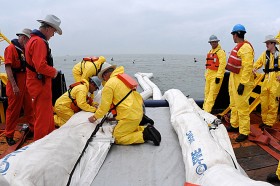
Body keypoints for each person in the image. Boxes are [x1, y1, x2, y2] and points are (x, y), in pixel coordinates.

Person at [88, 63, 161, 145]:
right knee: (127, 128)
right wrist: (114, 118)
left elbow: (104, 108)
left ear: (107, 74)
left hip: (129, 117)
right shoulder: (121, 79)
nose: (104, 79)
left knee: (117, 137)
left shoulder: (109, 85)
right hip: (138, 112)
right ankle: (145, 128)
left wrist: (94, 117)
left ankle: (145, 134)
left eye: (103, 76)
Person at [25, 14, 62, 141]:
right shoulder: (39, 42)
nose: (53, 35)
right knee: (42, 118)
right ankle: (40, 146)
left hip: (38, 83)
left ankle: (49, 140)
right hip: (40, 84)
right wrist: (54, 72)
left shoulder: (33, 40)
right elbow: (40, 66)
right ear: (47, 28)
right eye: (53, 31)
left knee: (46, 115)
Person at [4, 29, 34, 145]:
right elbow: (8, 68)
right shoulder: (10, 49)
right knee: (13, 111)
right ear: (23, 38)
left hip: (25, 83)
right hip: (15, 84)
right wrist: (14, 86)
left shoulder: (24, 50)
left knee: (29, 107)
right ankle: (9, 135)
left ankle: (33, 129)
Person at [226, 24, 254, 142]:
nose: (232, 37)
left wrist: (242, 83)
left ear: (236, 34)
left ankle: (244, 131)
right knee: (233, 104)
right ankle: (234, 124)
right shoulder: (239, 47)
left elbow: (247, 67)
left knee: (242, 107)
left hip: (241, 81)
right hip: (234, 79)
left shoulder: (246, 48)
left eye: (233, 34)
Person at [253, 35, 280, 130]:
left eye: (268, 43)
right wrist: (254, 68)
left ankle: (269, 123)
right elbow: (259, 63)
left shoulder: (279, 54)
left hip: (275, 81)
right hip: (267, 79)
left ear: (273, 43)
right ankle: (264, 121)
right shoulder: (265, 54)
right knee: (264, 101)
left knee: (273, 103)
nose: (266, 45)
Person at [203, 35, 226, 113]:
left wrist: (218, 77)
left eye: (215, 42)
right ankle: (204, 109)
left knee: (211, 95)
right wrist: (206, 76)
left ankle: (206, 112)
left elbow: (222, 65)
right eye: (212, 42)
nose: (213, 43)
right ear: (210, 43)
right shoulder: (210, 52)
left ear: (217, 42)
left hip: (216, 76)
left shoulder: (220, 52)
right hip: (209, 76)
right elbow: (208, 66)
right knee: (206, 93)